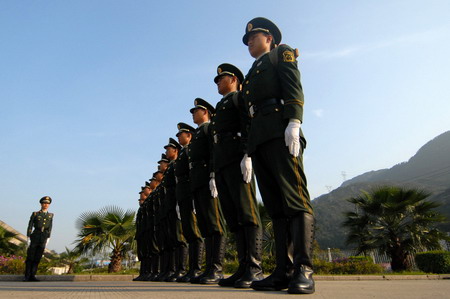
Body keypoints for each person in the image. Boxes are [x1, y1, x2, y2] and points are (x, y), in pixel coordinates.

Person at [240, 17, 315, 294]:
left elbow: (292, 85)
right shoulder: (252, 71)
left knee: (295, 200)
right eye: (247, 40)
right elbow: (250, 115)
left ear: (269, 37)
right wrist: (248, 150)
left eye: (253, 37)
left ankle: (304, 269)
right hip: (260, 139)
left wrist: (294, 122)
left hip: (281, 132)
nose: (249, 42)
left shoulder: (281, 54)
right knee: (276, 208)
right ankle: (282, 270)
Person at [209, 63, 263, 288]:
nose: (218, 82)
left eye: (221, 78)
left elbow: (247, 123)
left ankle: (254, 268)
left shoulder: (238, 98)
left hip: (237, 158)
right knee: (233, 216)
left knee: (247, 212)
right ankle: (243, 267)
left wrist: (247, 153)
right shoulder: (220, 106)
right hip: (223, 162)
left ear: (233, 80)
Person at [188, 98, 226, 284]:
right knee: (205, 225)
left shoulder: (209, 128)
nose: (193, 113)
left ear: (206, 112)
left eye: (196, 110)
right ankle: (209, 267)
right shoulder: (198, 133)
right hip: (198, 180)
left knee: (214, 223)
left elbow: (213, 151)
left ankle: (217, 268)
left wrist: (213, 174)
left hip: (207, 177)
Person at [174, 122, 204, 282]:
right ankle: (191, 269)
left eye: (181, 135)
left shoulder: (189, 151)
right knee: (188, 232)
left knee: (195, 232)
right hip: (184, 193)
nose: (179, 137)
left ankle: (196, 269)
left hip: (192, 189)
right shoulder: (183, 153)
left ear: (189, 135)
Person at [24, 196, 54, 282]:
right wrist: (28, 236)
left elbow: (50, 227)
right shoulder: (35, 214)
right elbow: (30, 225)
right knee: (30, 257)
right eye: (44, 203)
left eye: (47, 203)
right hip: (35, 235)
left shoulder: (50, 215)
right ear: (41, 204)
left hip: (43, 236)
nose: (46, 205)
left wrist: (48, 237)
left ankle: (33, 275)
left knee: (38, 257)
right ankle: (27, 276)